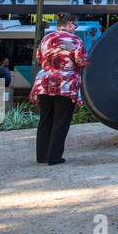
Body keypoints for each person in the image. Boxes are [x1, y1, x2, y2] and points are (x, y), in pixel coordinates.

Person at [30, 14, 88, 166]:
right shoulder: (75, 41)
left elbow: (39, 59)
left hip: (44, 83)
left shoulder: (46, 39)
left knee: (45, 119)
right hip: (65, 85)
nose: (75, 29)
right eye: (75, 26)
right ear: (70, 24)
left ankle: (41, 155)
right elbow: (82, 62)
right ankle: (54, 156)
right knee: (61, 121)